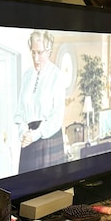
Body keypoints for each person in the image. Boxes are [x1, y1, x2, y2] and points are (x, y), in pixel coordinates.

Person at [14, 30, 66, 173]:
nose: (36, 58)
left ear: (48, 51)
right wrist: (24, 133)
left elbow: (57, 117)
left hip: (48, 141)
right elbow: (19, 112)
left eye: (40, 53)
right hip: (28, 141)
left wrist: (35, 135)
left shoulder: (57, 76)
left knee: (49, 191)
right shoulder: (26, 76)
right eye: (33, 52)